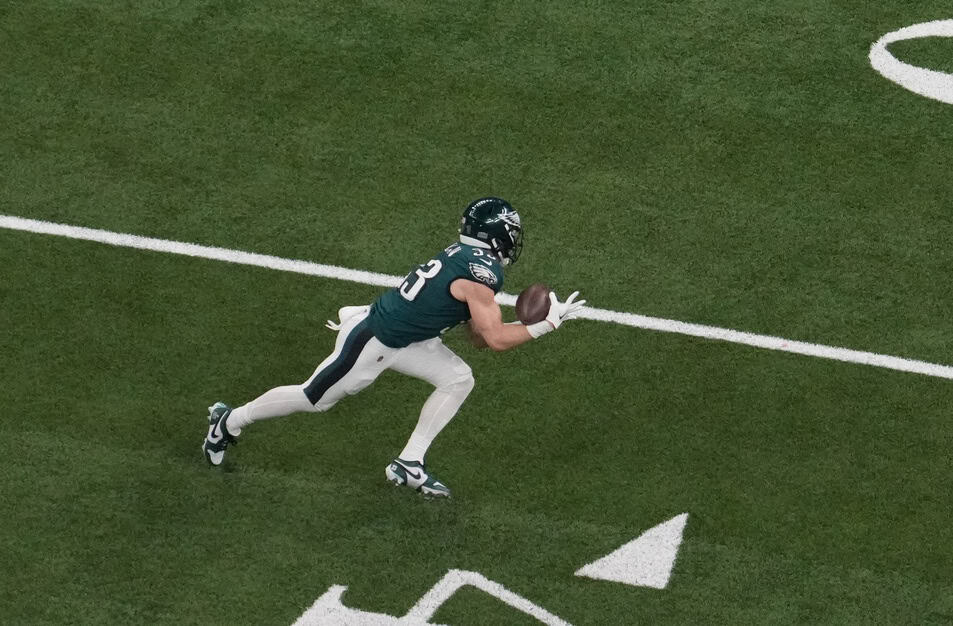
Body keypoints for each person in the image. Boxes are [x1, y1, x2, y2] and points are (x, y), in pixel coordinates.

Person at [202, 197, 585, 497]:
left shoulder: (468, 259)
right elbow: (496, 340)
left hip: (411, 338)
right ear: (498, 235)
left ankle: (409, 463)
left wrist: (528, 324)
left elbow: (480, 337)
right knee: (313, 398)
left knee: (458, 378)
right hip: (375, 339)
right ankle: (230, 420)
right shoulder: (480, 272)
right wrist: (545, 324)